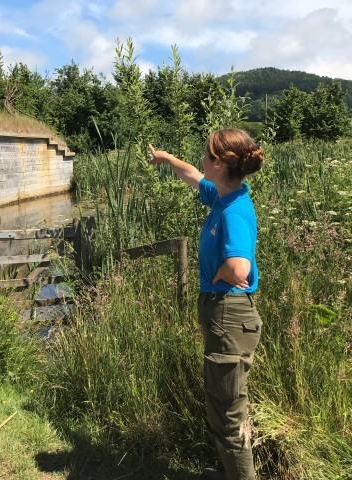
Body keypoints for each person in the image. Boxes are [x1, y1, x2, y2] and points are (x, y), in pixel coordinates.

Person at [149, 129, 264, 480]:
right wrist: (166, 159)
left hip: (229, 314)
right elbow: (193, 176)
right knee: (221, 406)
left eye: (205, 154)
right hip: (224, 314)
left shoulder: (233, 211)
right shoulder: (223, 195)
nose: (201, 159)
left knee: (228, 415)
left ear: (219, 163)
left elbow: (239, 266)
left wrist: (218, 277)